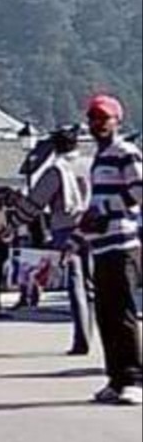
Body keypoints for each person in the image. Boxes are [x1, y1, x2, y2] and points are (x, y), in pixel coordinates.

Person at [80, 95, 142, 406]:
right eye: (93, 118)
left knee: (123, 313)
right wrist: (79, 234)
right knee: (105, 315)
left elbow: (139, 192)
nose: (98, 124)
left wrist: (106, 209)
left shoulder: (125, 153)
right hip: (101, 246)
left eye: (104, 118)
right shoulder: (99, 158)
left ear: (118, 121)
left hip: (122, 244)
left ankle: (134, 379)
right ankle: (115, 379)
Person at [15, 125, 93, 353]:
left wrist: (14, 221)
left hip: (65, 227)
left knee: (75, 282)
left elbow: (36, 202)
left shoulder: (56, 170)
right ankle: (90, 332)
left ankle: (81, 338)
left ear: (55, 146)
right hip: (94, 227)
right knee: (91, 284)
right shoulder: (90, 164)